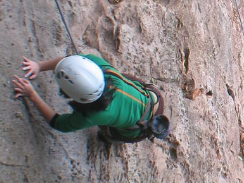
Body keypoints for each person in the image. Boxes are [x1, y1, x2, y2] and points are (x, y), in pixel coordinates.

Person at [12, 54, 168, 142]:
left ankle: (110, 139)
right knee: (123, 79)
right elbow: (69, 63)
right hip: (155, 101)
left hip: (136, 132)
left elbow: (59, 123)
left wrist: (32, 95)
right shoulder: (103, 69)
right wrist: (38, 66)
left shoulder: (91, 116)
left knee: (110, 133)